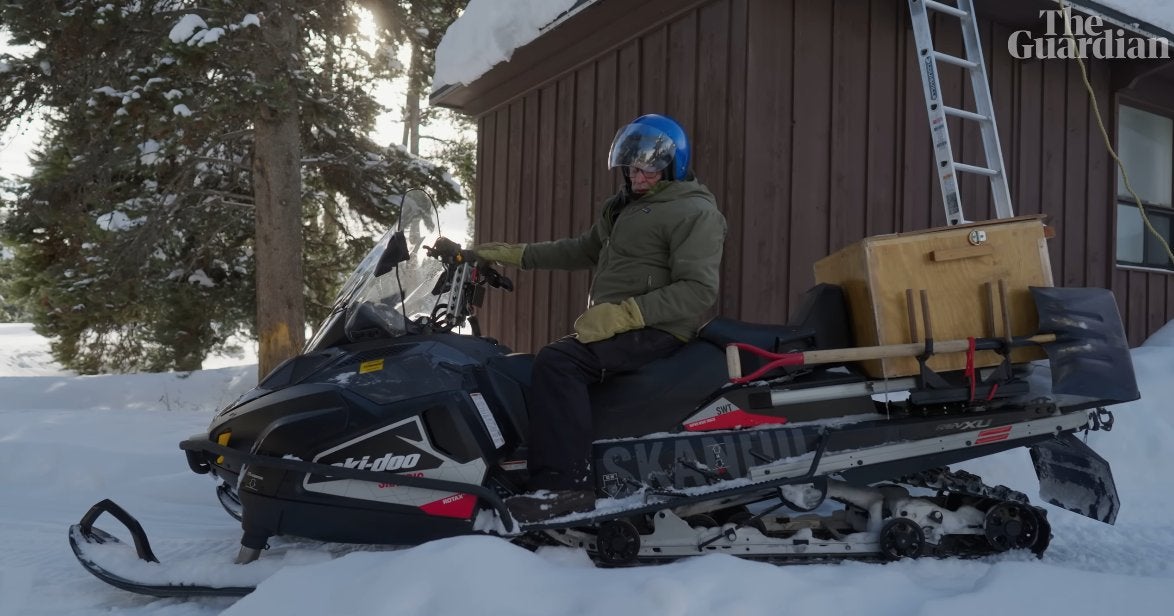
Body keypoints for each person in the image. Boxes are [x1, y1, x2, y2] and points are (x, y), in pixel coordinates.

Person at [473, 114, 727, 523]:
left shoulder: (693, 211)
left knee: (559, 362)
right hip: (625, 325)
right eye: (631, 168)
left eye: (649, 168)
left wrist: (627, 314)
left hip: (658, 329)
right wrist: (510, 254)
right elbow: (579, 249)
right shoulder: (625, 208)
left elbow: (698, 290)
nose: (638, 177)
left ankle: (564, 489)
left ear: (674, 165)